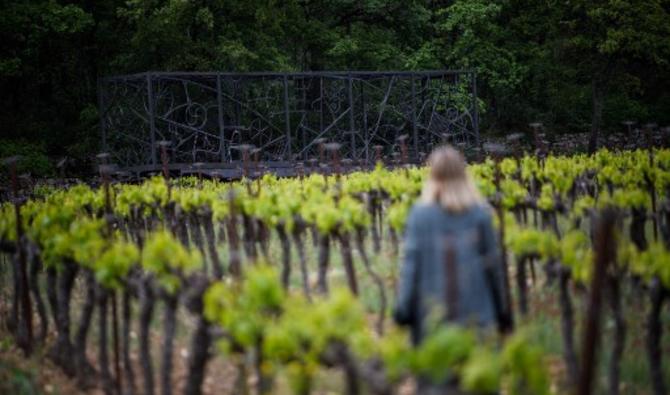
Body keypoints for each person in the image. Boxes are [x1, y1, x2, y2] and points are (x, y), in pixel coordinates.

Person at [393, 145, 510, 393]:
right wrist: (502, 312)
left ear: (432, 175)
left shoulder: (419, 216)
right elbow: (494, 270)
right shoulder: (480, 215)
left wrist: (403, 310)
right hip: (478, 321)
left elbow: (410, 268)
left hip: (432, 322)